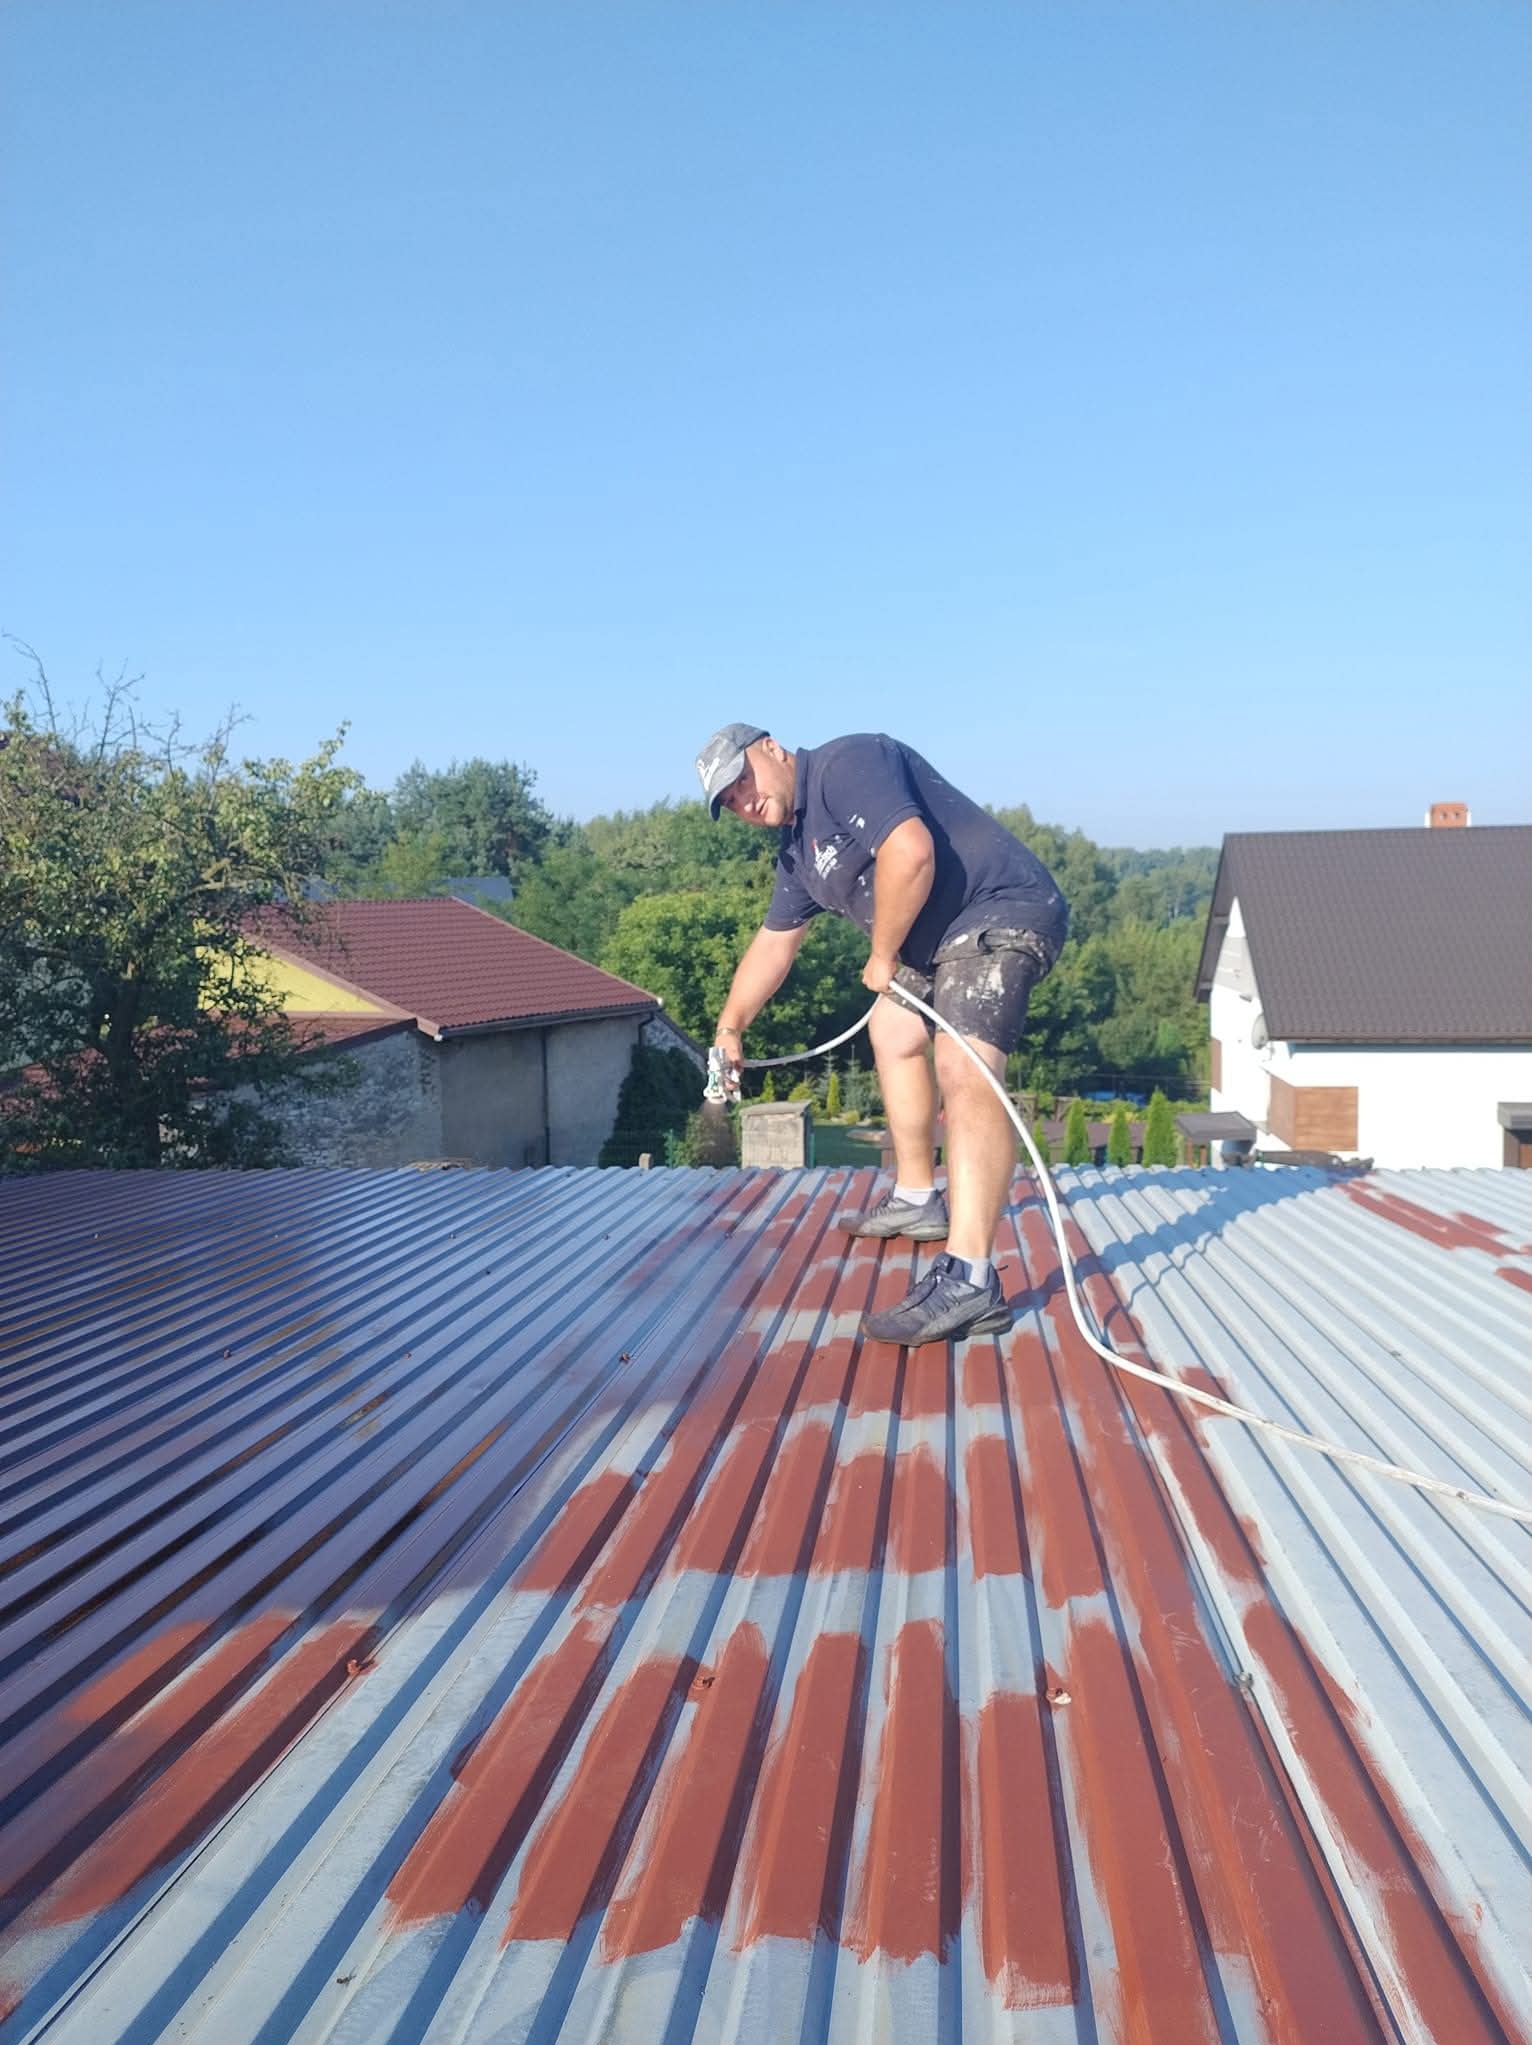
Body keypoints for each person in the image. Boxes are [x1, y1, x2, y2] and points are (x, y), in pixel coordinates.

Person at [696, 723, 1067, 1346]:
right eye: (730, 803)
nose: (745, 804)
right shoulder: (797, 855)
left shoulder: (846, 762)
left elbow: (911, 851)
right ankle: (921, 1196)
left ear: (771, 750)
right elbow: (773, 947)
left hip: (1000, 908)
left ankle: (972, 1278)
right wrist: (730, 1027)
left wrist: (884, 953)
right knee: (893, 1030)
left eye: (743, 783)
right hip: (936, 941)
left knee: (964, 1068)